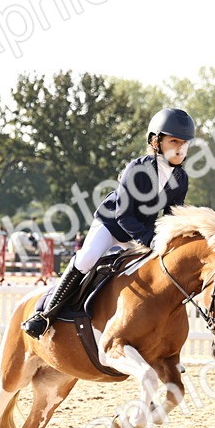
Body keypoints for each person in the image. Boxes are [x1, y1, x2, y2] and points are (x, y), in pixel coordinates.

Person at [22, 107, 196, 339]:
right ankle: (46, 314)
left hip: (141, 234)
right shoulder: (137, 169)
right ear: (155, 141)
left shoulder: (180, 178)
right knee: (87, 258)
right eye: (174, 141)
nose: (180, 148)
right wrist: (150, 239)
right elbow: (124, 216)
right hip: (111, 225)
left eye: (184, 143)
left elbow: (171, 216)